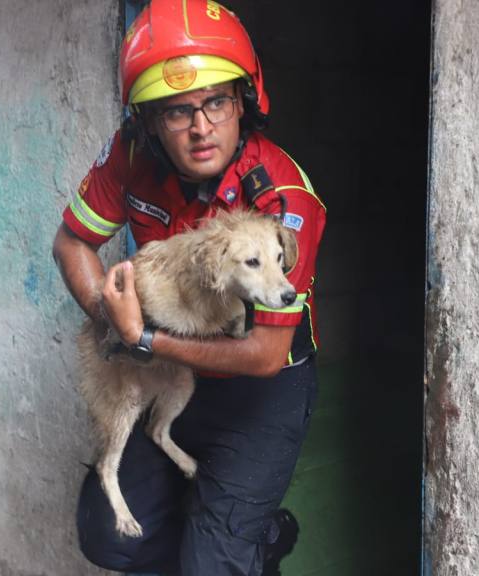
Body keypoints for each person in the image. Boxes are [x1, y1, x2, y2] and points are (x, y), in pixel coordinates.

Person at [52, 1, 326, 574]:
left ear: (244, 102)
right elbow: (73, 243)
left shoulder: (281, 200)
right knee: (112, 538)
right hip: (170, 372)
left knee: (213, 560)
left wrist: (144, 338)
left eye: (216, 102)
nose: (201, 127)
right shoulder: (131, 155)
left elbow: (265, 353)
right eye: (177, 112)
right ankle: (232, 539)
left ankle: (250, 540)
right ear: (150, 122)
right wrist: (110, 315)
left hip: (260, 387)